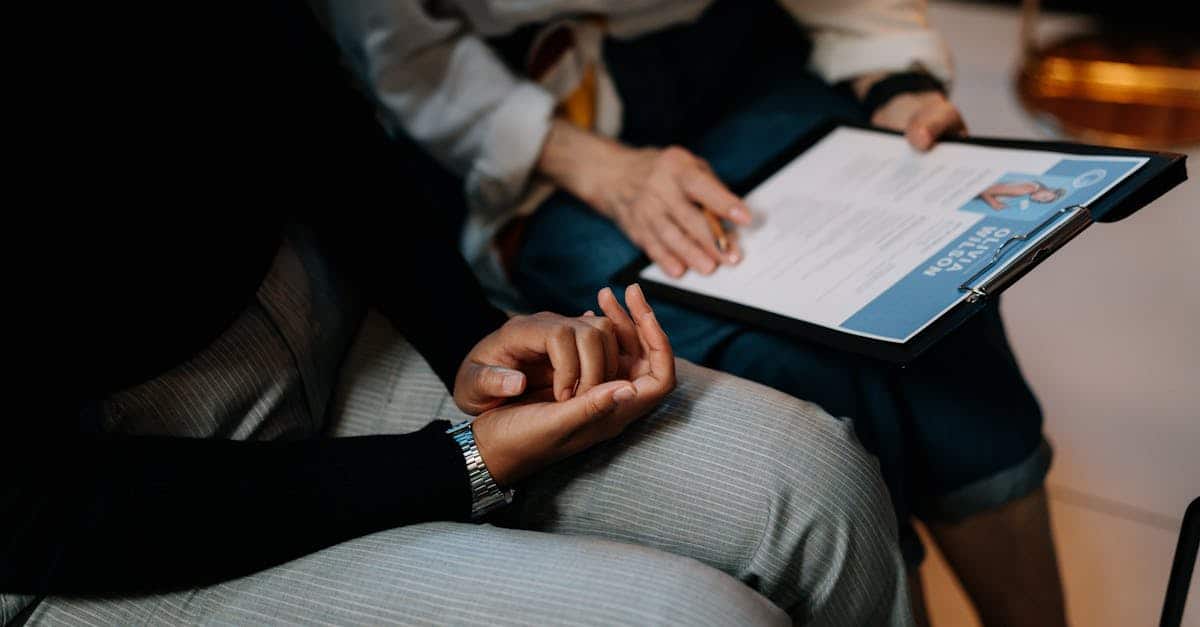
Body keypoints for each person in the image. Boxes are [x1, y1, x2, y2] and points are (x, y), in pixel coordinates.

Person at [2, 1, 911, 624]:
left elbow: (312, 107)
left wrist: (469, 334)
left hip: (334, 325)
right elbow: (37, 510)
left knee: (820, 481)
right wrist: (458, 463)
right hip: (95, 520)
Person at [316, 1, 1068, 625]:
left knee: (939, 301)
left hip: (733, 54)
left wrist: (894, 77)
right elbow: (405, 51)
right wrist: (602, 169)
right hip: (523, 122)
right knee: (785, 366)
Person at [979, 180, 1068, 209]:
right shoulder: (1026, 190)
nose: (1039, 200)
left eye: (1041, 202)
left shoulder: (1030, 189)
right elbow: (984, 191)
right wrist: (995, 205)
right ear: (1049, 190)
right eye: (1044, 197)